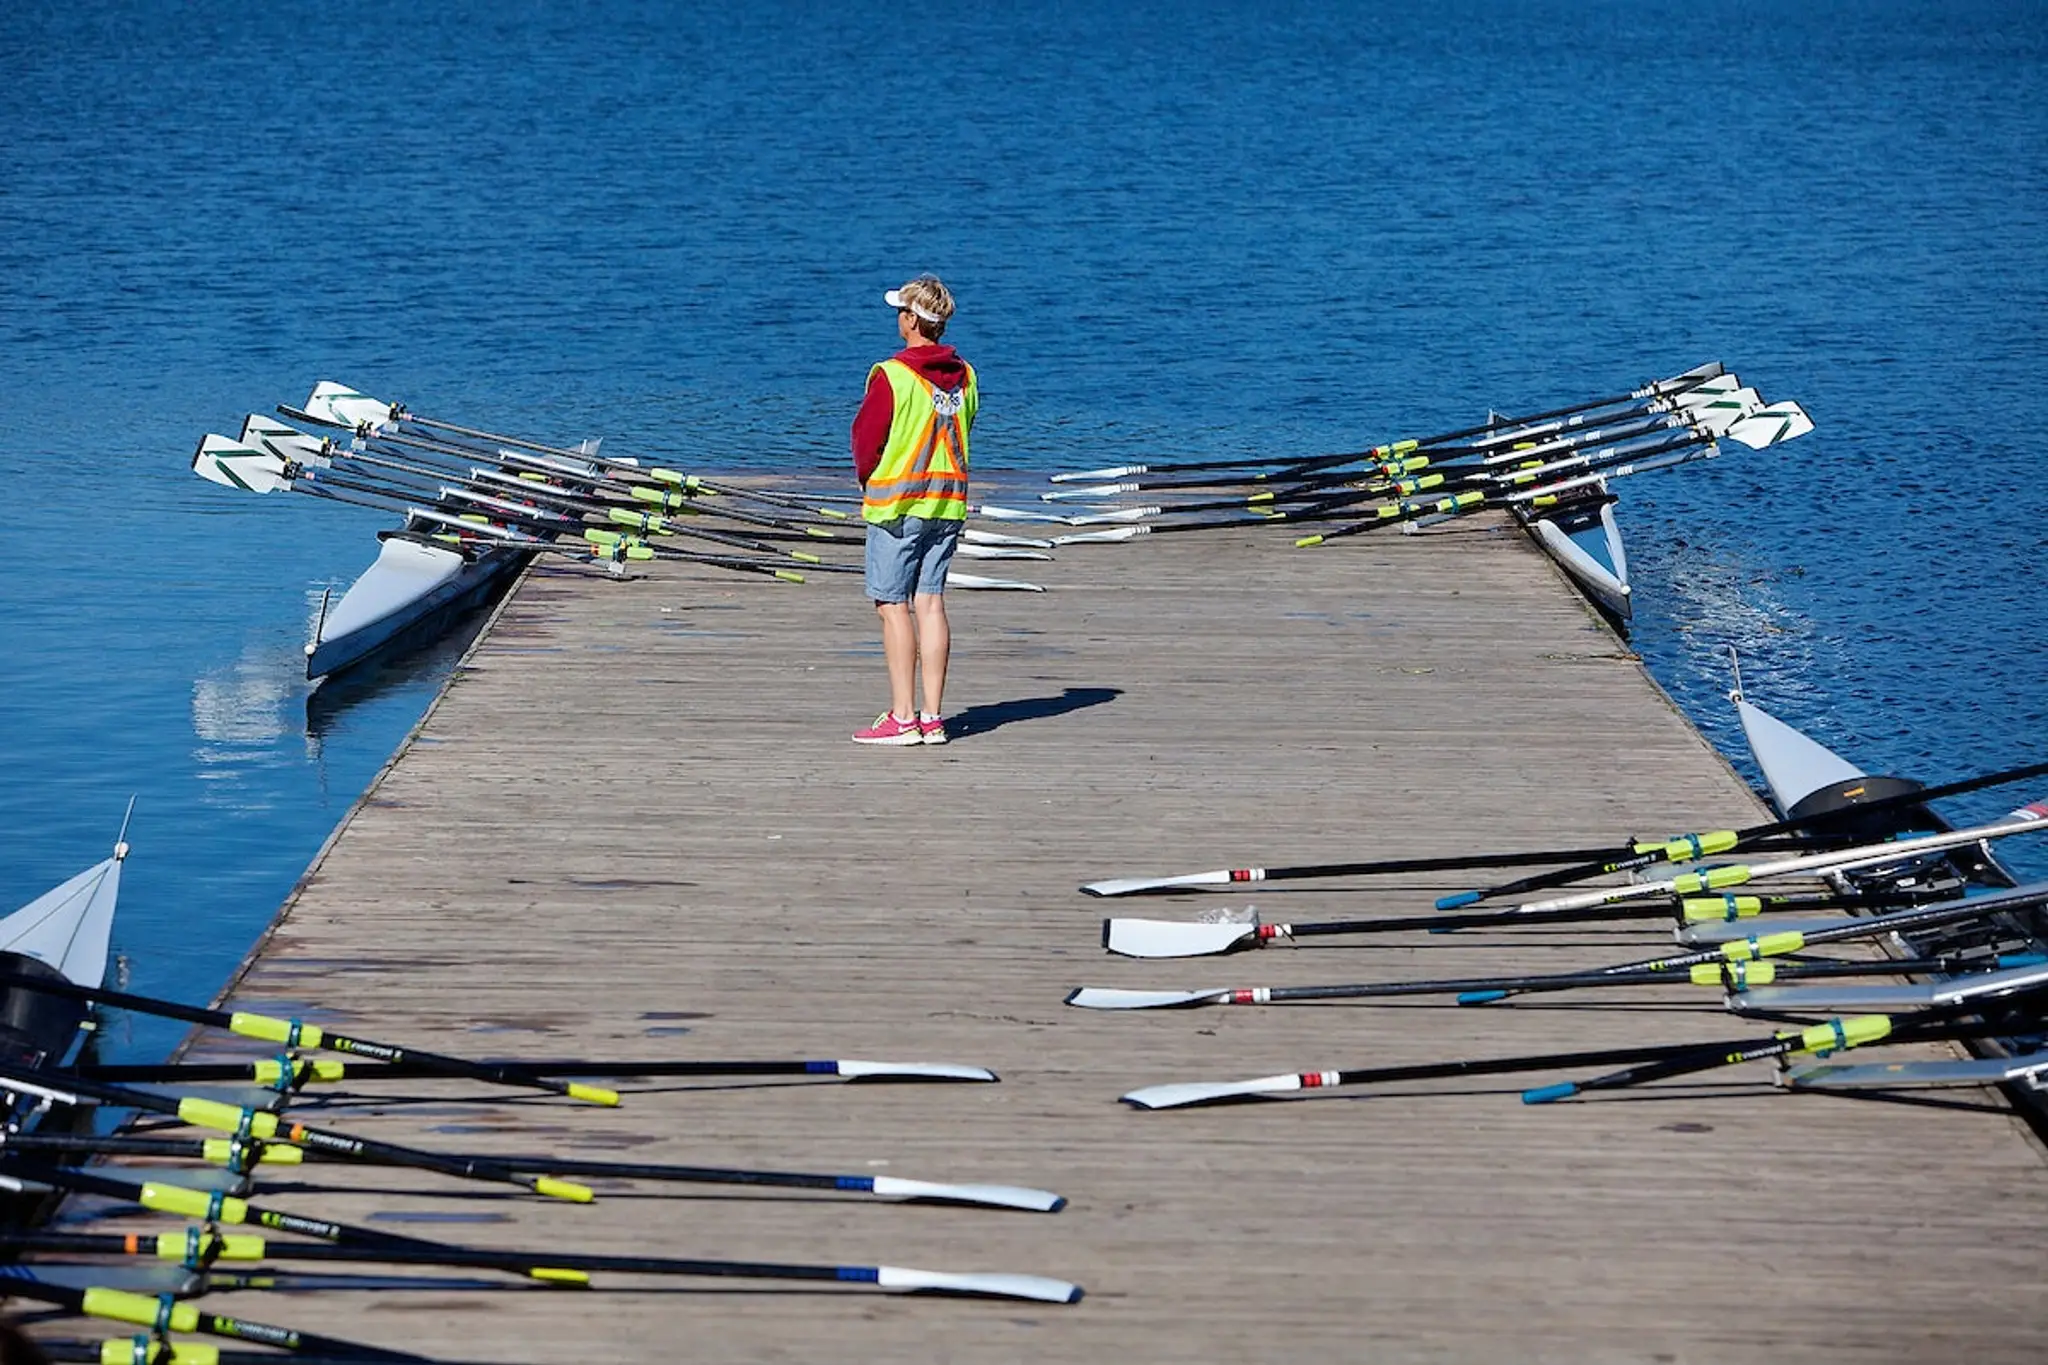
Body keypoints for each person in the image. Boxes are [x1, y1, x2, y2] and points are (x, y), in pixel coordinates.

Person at [849, 274, 977, 746]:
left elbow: (866, 439)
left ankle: (903, 717)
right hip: (948, 502)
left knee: (892, 605)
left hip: (897, 505)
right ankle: (932, 716)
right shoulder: (966, 375)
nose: (897, 319)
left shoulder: (892, 374)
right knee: (930, 602)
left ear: (911, 321)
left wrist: (867, 478)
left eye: (900, 312)